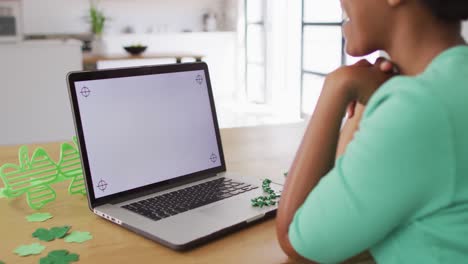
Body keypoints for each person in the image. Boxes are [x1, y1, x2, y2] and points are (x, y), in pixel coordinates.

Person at [276, 0, 468, 263]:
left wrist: (338, 86)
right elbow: (342, 220)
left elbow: (299, 242)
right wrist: (369, 106)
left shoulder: (420, 107)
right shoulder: (450, 83)